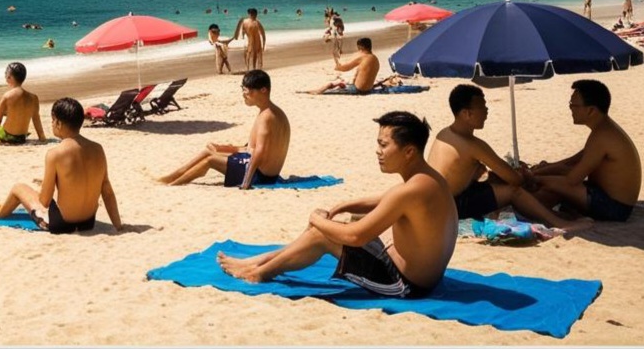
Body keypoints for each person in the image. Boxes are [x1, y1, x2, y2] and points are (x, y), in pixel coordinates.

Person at [216, 112, 456, 298]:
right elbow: (386, 200)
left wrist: (317, 219)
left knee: (322, 234)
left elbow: (355, 237)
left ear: (409, 151)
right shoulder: (427, 180)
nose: (378, 151)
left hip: (404, 285)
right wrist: (344, 205)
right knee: (328, 226)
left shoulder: (411, 190)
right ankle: (258, 261)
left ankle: (258, 273)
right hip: (417, 276)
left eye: (384, 145)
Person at [426, 85, 591, 231]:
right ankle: (559, 223)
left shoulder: (445, 134)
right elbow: (514, 180)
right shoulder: (473, 145)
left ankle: (549, 212)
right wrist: (524, 175)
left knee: (496, 180)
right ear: (466, 113)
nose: (486, 111)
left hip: (435, 201)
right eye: (482, 107)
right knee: (514, 191)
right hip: (450, 207)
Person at [0, 97, 122, 234]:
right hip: (88, 222)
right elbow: (107, 191)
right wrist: (118, 226)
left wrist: (43, 189)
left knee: (19, 188)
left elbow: (44, 201)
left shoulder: (55, 154)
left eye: (52, 120)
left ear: (58, 123)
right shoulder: (98, 149)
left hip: (62, 224)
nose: (52, 124)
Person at [528, 80, 641, 222]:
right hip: (610, 200)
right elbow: (571, 162)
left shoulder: (603, 136)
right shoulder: (602, 129)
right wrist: (542, 169)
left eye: (573, 106)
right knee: (552, 183)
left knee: (553, 186)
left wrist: (534, 178)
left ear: (591, 110)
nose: (571, 109)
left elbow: (572, 180)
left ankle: (525, 207)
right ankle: (530, 207)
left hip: (615, 208)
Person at [157, 70, 289, 188]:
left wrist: (246, 182)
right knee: (210, 150)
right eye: (243, 89)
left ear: (263, 90)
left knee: (210, 160)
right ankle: (175, 175)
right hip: (263, 171)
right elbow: (251, 149)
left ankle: (173, 184)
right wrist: (222, 148)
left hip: (260, 176)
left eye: (249, 91)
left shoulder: (266, 117)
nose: (244, 94)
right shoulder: (274, 112)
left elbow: (259, 152)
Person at [304, 37, 380, 94]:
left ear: (361, 47)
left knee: (332, 84)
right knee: (344, 81)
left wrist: (337, 66)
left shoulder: (363, 57)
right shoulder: (376, 59)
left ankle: (317, 91)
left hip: (358, 90)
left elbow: (345, 68)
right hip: (368, 90)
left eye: (358, 47)